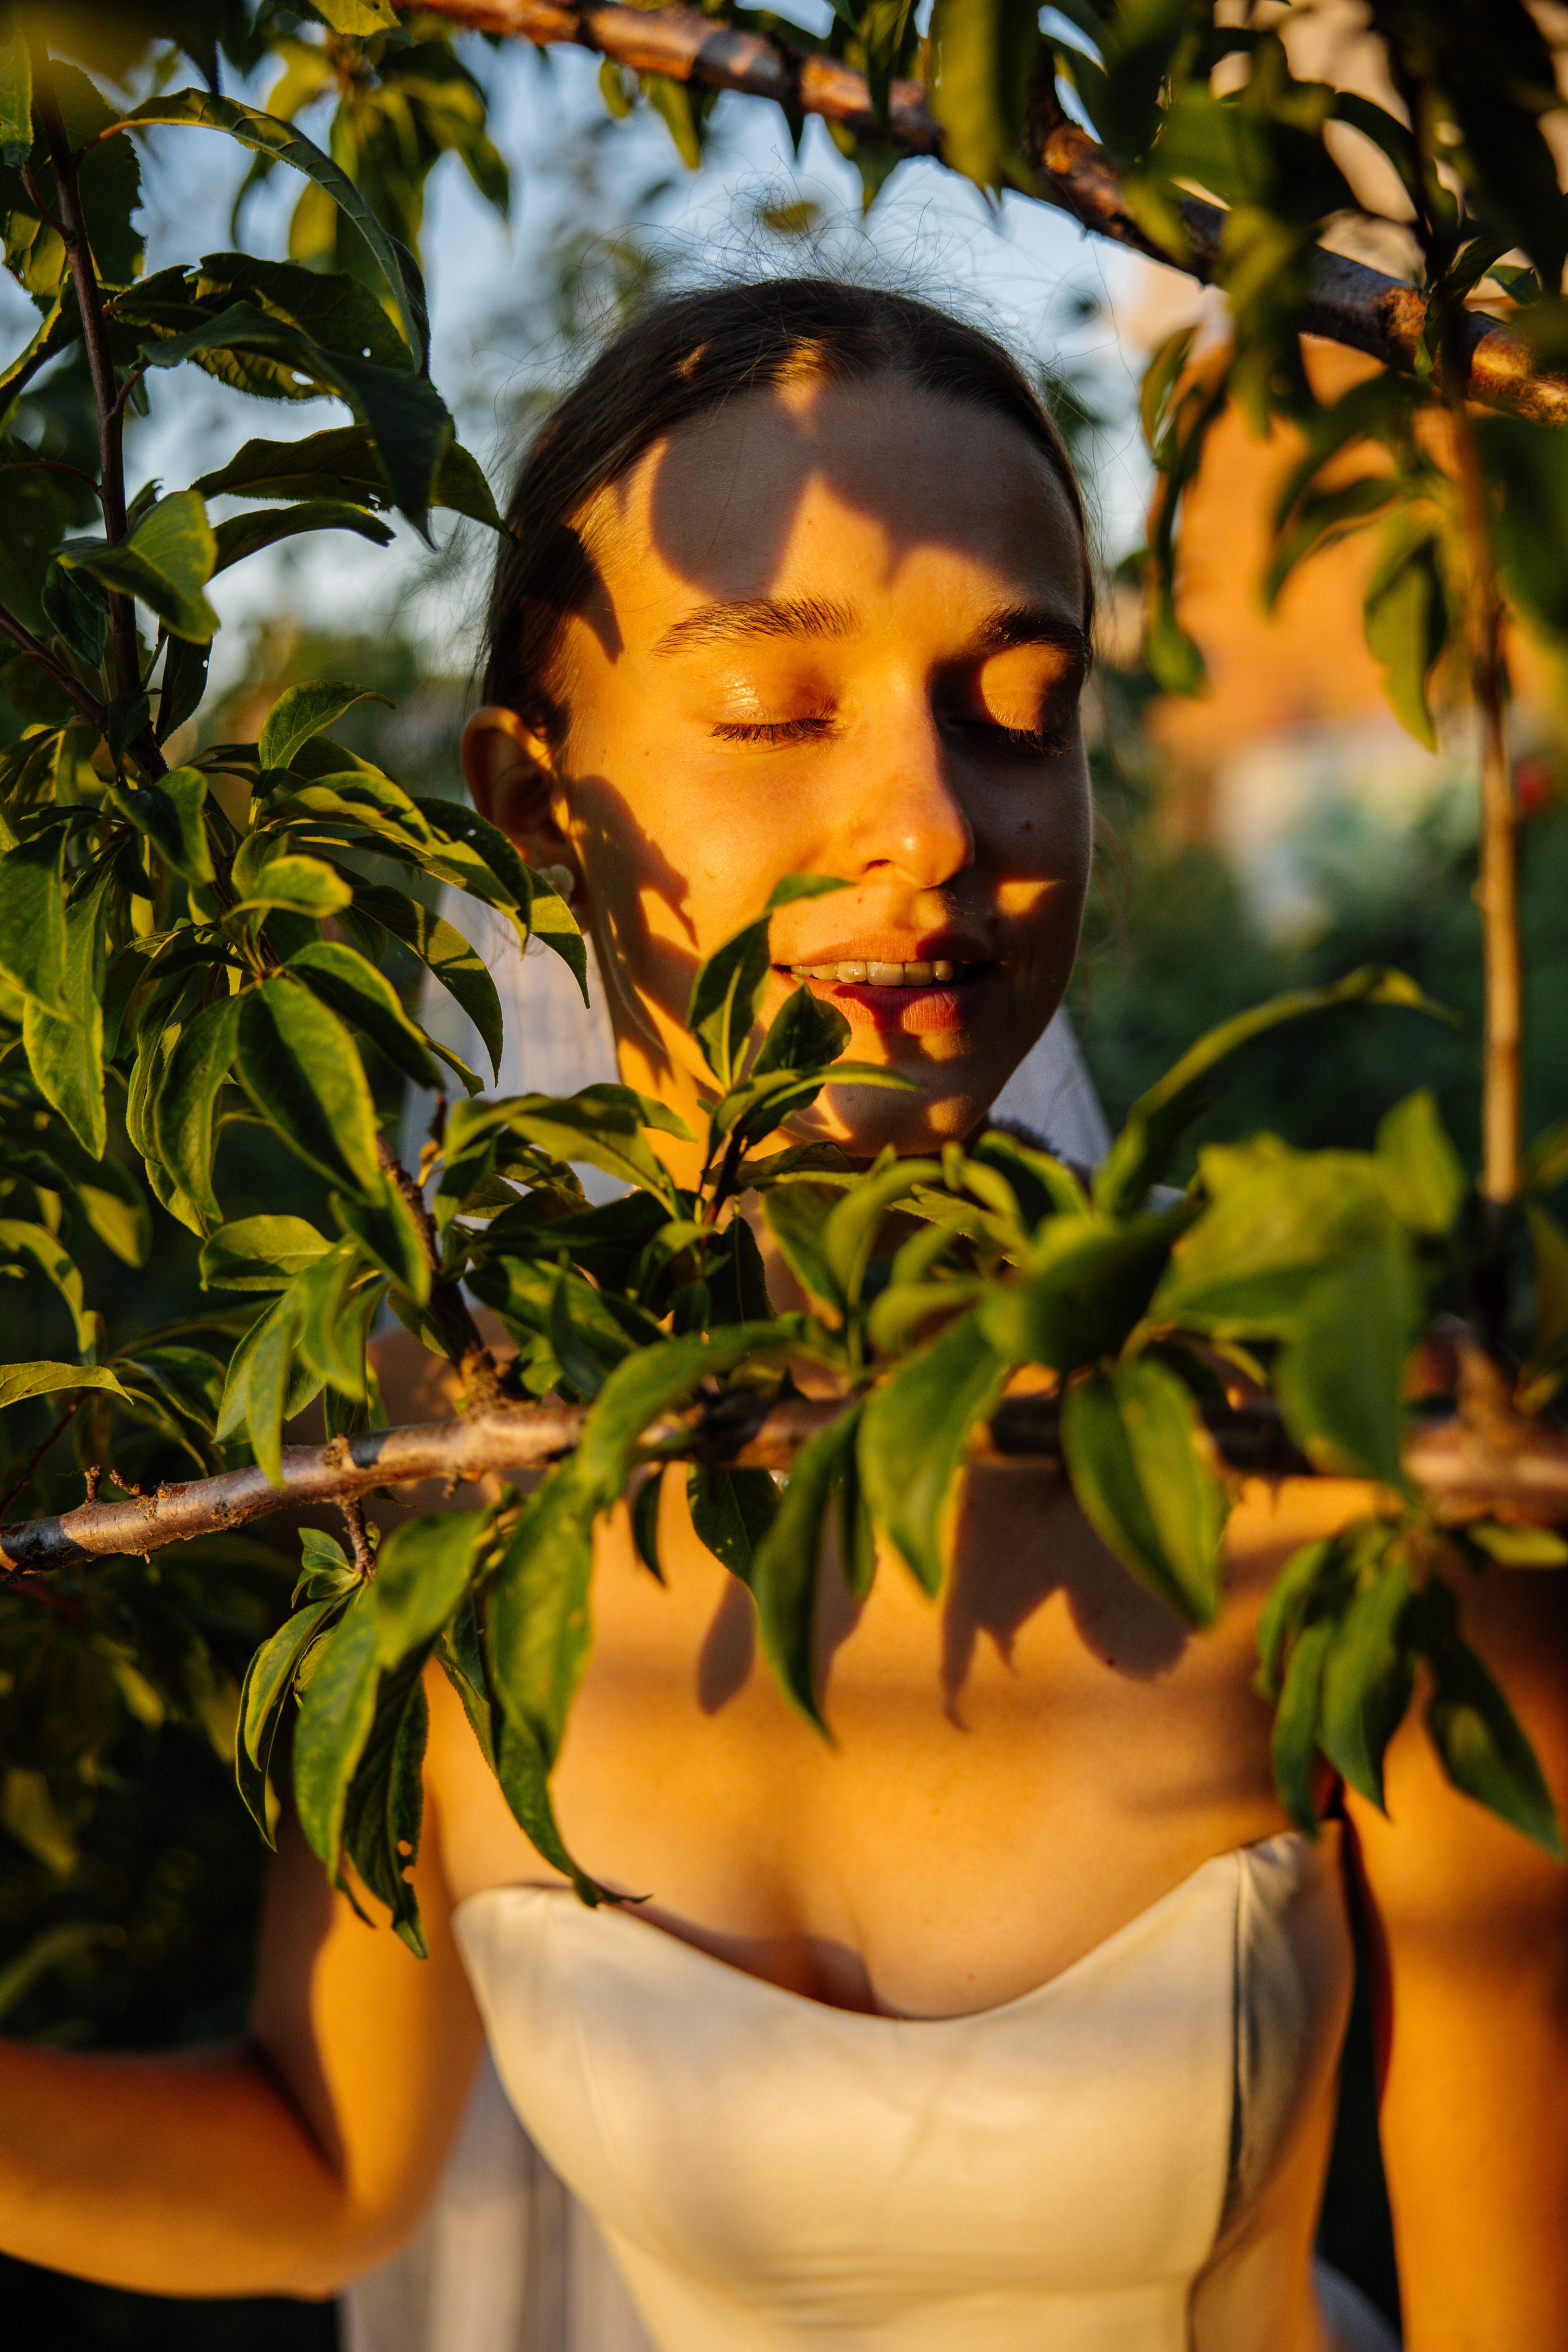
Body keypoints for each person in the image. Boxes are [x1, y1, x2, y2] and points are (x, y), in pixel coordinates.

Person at [3, 277, 1567, 2352]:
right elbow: (332, 2166)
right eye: (775, 714)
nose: (933, 831)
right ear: (535, 798)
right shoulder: (454, 1453)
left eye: (1020, 710)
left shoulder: (1333, 1445)